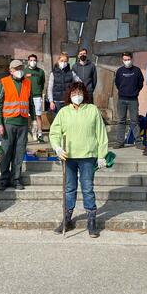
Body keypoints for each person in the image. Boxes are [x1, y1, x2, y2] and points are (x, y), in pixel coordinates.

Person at [50, 82, 108, 238]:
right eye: (74, 93)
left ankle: (91, 221)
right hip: (68, 157)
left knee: (87, 188)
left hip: (88, 156)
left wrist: (102, 155)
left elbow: (101, 133)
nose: (77, 96)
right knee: (69, 189)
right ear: (69, 95)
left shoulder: (92, 110)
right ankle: (67, 219)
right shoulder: (63, 112)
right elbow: (54, 132)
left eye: (79, 92)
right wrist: (57, 147)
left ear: (84, 94)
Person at [0, 59, 35, 191]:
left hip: (23, 123)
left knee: (19, 152)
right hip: (8, 123)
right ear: (11, 70)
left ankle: (16, 178)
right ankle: (4, 179)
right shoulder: (4, 82)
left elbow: (31, 103)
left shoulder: (27, 83)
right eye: (16, 68)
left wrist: (34, 119)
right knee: (6, 151)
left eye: (20, 68)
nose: (19, 70)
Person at [113, 52, 144, 149]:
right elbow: (117, 83)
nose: (127, 61)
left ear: (132, 59)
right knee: (121, 121)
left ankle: (138, 142)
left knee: (134, 121)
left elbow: (140, 84)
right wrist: (123, 92)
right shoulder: (119, 71)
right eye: (125, 60)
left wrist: (134, 92)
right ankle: (120, 142)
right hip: (121, 99)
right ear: (122, 60)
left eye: (128, 59)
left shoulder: (137, 70)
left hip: (133, 100)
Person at [25, 54, 46, 143]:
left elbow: (42, 83)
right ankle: (31, 132)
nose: (33, 62)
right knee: (27, 115)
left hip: (37, 96)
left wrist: (39, 92)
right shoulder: (24, 71)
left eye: (34, 60)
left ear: (36, 61)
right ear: (28, 61)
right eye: (31, 60)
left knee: (38, 115)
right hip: (26, 96)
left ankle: (40, 134)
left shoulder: (41, 72)